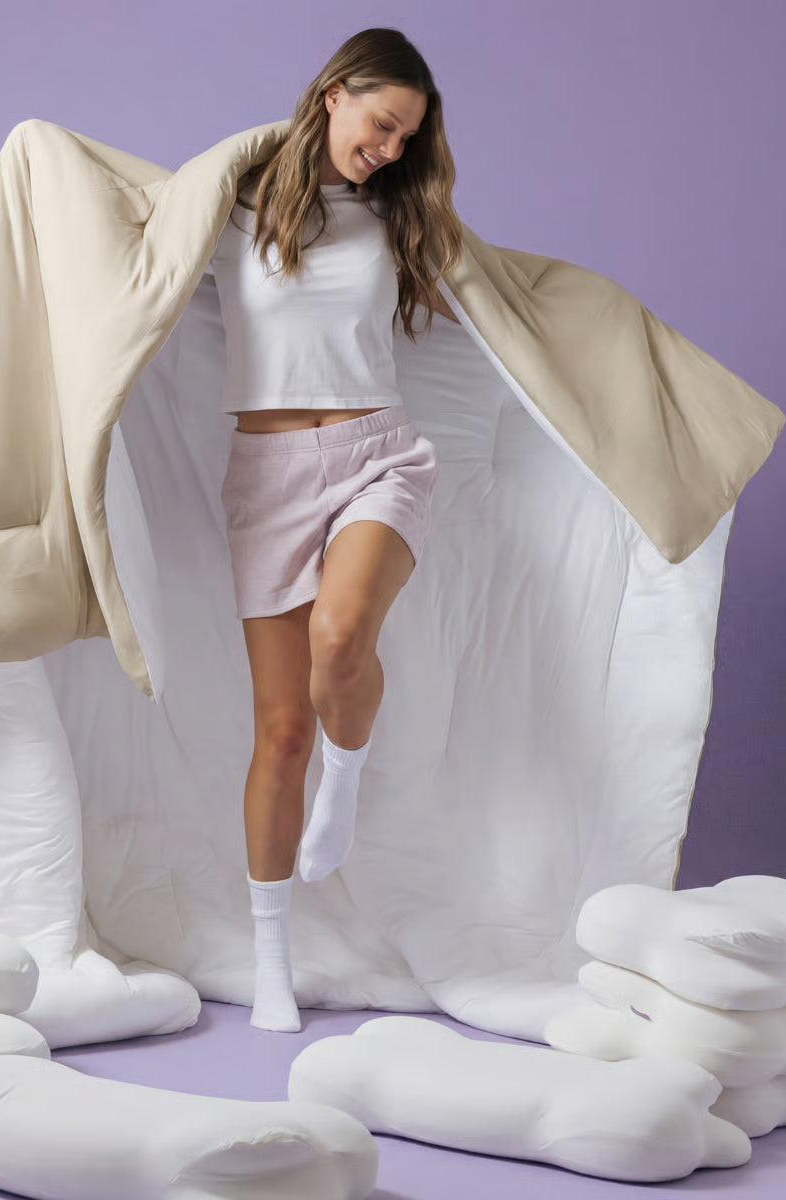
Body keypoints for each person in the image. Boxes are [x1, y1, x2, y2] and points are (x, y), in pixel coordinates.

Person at [208, 27, 463, 1032]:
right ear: (333, 94)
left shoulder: (399, 220)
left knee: (340, 636)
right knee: (279, 732)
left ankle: (346, 778)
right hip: (266, 475)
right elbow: (128, 249)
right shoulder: (224, 210)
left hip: (377, 455)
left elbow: (502, 311)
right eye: (383, 124)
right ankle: (272, 954)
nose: (393, 149)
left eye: (408, 137)